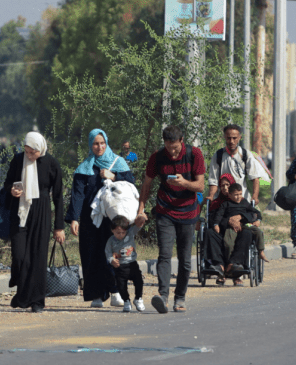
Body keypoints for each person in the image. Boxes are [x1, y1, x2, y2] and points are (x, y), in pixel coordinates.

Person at [135, 125, 205, 314]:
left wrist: (184, 183)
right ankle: (163, 296)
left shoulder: (194, 154)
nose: (172, 152)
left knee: (184, 259)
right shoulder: (157, 157)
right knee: (164, 254)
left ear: (181, 141)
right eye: (168, 147)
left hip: (188, 212)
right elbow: (147, 184)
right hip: (165, 210)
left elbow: (200, 185)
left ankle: (180, 297)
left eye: (175, 148)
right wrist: (141, 209)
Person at [66, 128, 134, 308]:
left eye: (102, 143)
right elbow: (78, 195)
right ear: (90, 144)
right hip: (90, 220)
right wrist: (74, 218)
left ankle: (116, 292)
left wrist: (113, 176)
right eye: (95, 143)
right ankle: (96, 295)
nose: (99, 147)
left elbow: (131, 184)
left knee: (113, 253)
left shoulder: (118, 163)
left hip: (112, 219)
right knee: (91, 254)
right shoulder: (84, 168)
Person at [5, 132, 65, 313]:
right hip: (21, 211)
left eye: (33, 153)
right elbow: (7, 183)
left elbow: (58, 196)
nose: (29, 156)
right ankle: (22, 293)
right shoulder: (17, 160)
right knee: (19, 254)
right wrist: (12, 191)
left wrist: (59, 227)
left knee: (38, 256)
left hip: (42, 211)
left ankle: (37, 301)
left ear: (41, 148)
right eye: (27, 152)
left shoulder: (51, 163)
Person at [212, 183, 265, 280]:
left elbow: (255, 212)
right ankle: (229, 265)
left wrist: (258, 220)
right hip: (230, 228)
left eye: (240, 194)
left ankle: (261, 250)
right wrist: (216, 224)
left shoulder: (244, 202)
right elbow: (219, 215)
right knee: (228, 244)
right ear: (230, 195)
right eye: (236, 194)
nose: (238, 197)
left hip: (244, 225)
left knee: (257, 232)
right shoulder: (226, 204)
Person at [207, 124, 262, 205]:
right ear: (224, 137)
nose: (231, 141)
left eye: (234, 138)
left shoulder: (246, 154)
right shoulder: (218, 155)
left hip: (241, 199)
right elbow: (213, 180)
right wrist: (211, 196)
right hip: (223, 200)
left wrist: (255, 196)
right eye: (229, 138)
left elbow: (255, 178)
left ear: (240, 137)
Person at [105, 215, 144, 312]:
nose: (121, 234)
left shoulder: (130, 233)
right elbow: (108, 253)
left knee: (139, 281)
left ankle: (138, 299)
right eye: (118, 232)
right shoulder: (110, 241)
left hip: (132, 264)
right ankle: (126, 301)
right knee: (121, 286)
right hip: (120, 267)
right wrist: (111, 260)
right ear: (112, 230)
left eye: (123, 232)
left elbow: (138, 226)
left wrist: (141, 218)